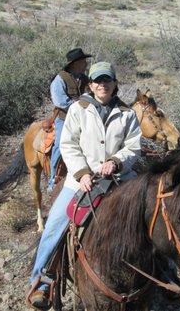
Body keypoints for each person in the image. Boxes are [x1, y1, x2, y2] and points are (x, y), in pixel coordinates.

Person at [28, 62, 142, 309]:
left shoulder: (128, 113)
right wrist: (82, 173)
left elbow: (134, 146)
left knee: (150, 216)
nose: (103, 84)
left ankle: (166, 273)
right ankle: (42, 281)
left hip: (120, 178)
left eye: (107, 80)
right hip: (81, 180)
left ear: (115, 84)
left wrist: (116, 161)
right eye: (98, 80)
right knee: (55, 224)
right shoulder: (78, 109)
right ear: (90, 84)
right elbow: (68, 144)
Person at [47, 48, 92, 192]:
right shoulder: (60, 79)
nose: (86, 64)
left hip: (85, 117)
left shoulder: (86, 79)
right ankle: (53, 179)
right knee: (60, 146)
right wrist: (80, 104)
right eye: (83, 61)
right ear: (75, 64)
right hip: (64, 119)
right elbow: (60, 102)